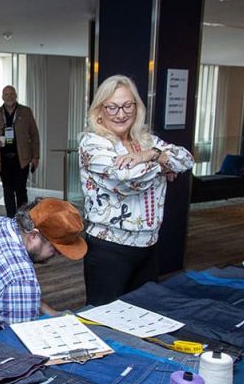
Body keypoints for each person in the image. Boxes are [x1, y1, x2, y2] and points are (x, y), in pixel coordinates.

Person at [79, 74, 194, 306]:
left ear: (137, 107)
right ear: (99, 111)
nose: (121, 114)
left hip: (149, 246)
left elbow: (186, 159)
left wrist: (151, 154)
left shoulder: (147, 141)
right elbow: (129, 179)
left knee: (144, 314)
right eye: (112, 107)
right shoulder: (93, 143)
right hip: (110, 249)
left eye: (127, 105)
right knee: (105, 317)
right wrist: (162, 164)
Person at [0, 198, 87, 331]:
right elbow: (21, 335)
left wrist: (51, 312)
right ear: (33, 235)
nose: (59, 254)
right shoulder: (21, 279)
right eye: (55, 248)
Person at [0, 85, 40, 218]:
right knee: (7, 190)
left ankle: (22, 218)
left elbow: (34, 135)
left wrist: (36, 156)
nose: (9, 96)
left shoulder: (26, 112)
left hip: (22, 159)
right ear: (2, 97)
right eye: (6, 94)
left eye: (11, 94)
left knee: (21, 189)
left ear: (16, 95)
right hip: (3, 159)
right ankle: (10, 218)